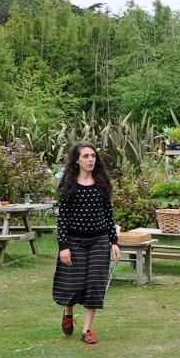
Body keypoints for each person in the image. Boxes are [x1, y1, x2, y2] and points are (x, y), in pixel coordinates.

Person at [52, 142, 116, 345]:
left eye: (93, 156)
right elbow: (62, 219)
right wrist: (64, 246)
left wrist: (114, 242)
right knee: (74, 285)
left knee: (94, 285)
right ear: (77, 160)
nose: (90, 159)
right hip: (74, 241)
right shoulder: (68, 185)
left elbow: (108, 214)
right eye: (86, 156)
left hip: (99, 240)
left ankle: (87, 330)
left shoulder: (102, 183)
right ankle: (68, 313)